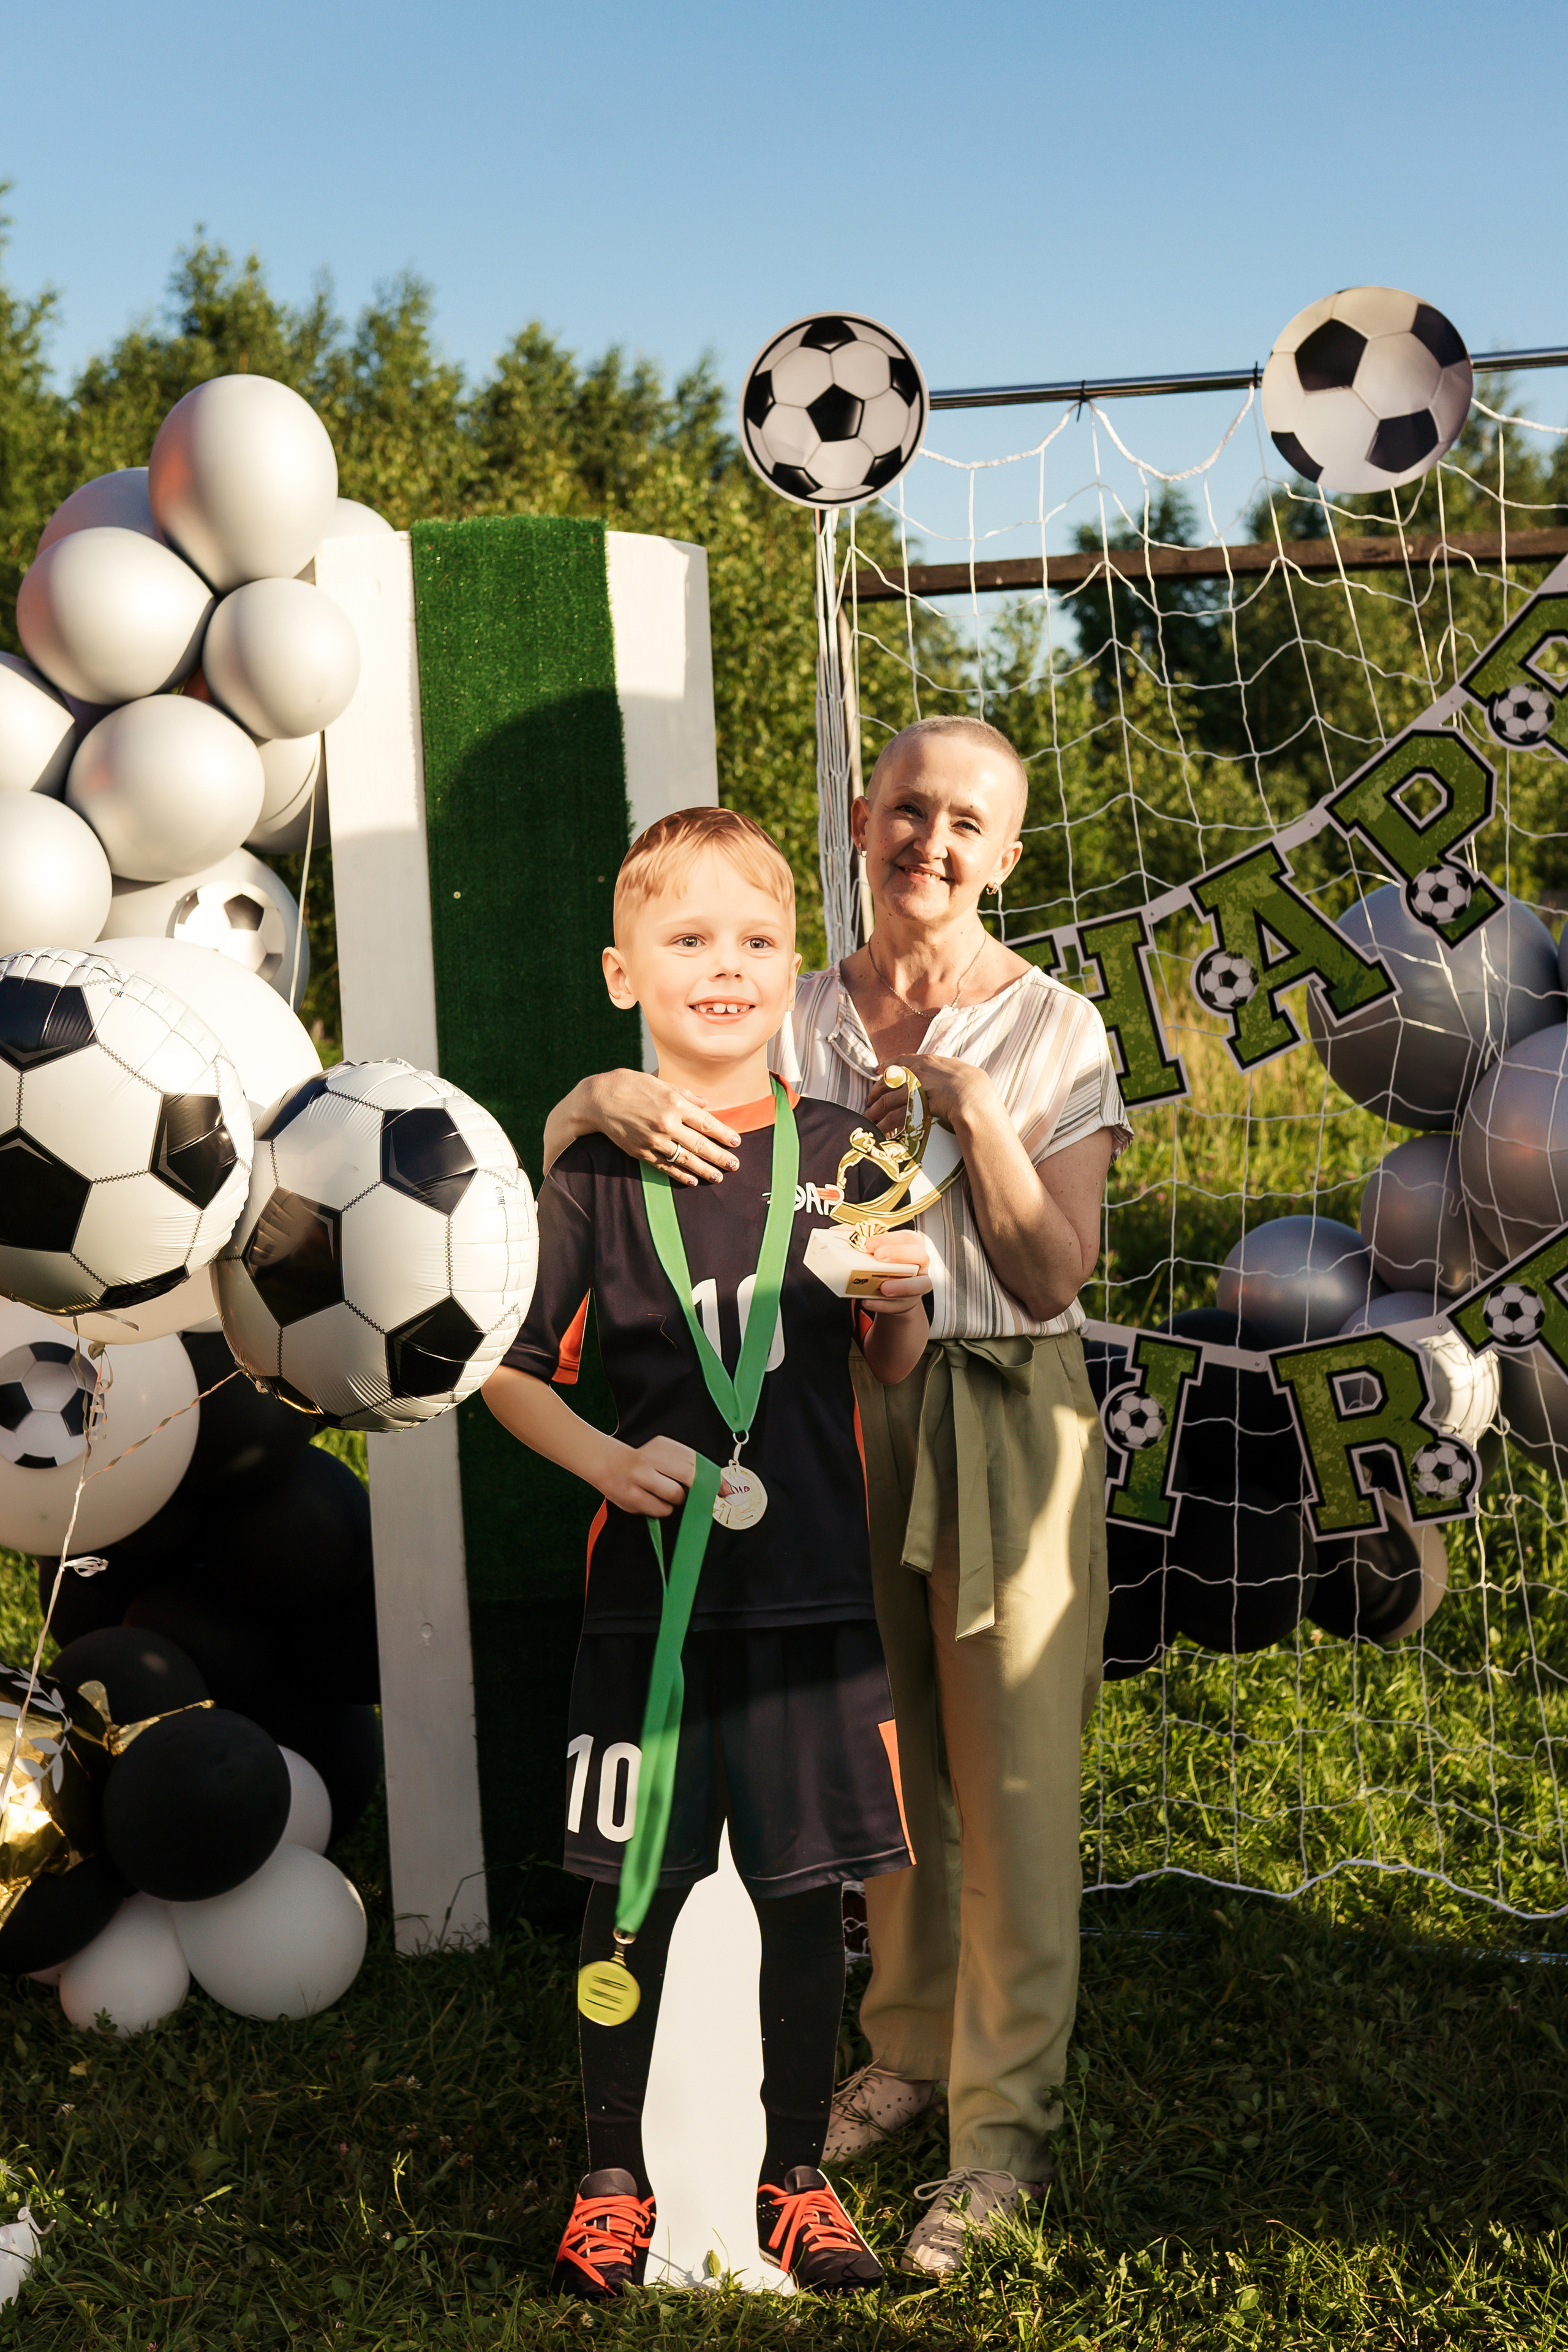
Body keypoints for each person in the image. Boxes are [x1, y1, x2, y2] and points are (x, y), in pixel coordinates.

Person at [545, 715, 1131, 2277]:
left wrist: (977, 1116)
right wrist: (589, 1103)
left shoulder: (1056, 1027)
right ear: (862, 823)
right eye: (908, 809)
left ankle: (998, 2139)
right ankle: (905, 2046)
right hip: (814, 1416)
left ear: (1005, 856)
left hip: (999, 1405)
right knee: (875, 1770)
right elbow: (629, 1155)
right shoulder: (789, 1002)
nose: (932, 842)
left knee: (1008, 1785)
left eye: (968, 823)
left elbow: (1050, 1274)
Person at [484, 805, 935, 2302]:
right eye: (686, 941)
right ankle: (609, 2180)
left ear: (790, 967)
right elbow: (504, 1372)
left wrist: (900, 1298)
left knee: (804, 1899)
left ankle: (791, 2176)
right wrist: (608, 1462)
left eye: (753, 941)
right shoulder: (598, 1168)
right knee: (634, 1894)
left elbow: (889, 1359)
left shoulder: (845, 1150)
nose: (723, 967)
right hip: (651, 1611)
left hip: (810, 1602)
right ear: (625, 973)